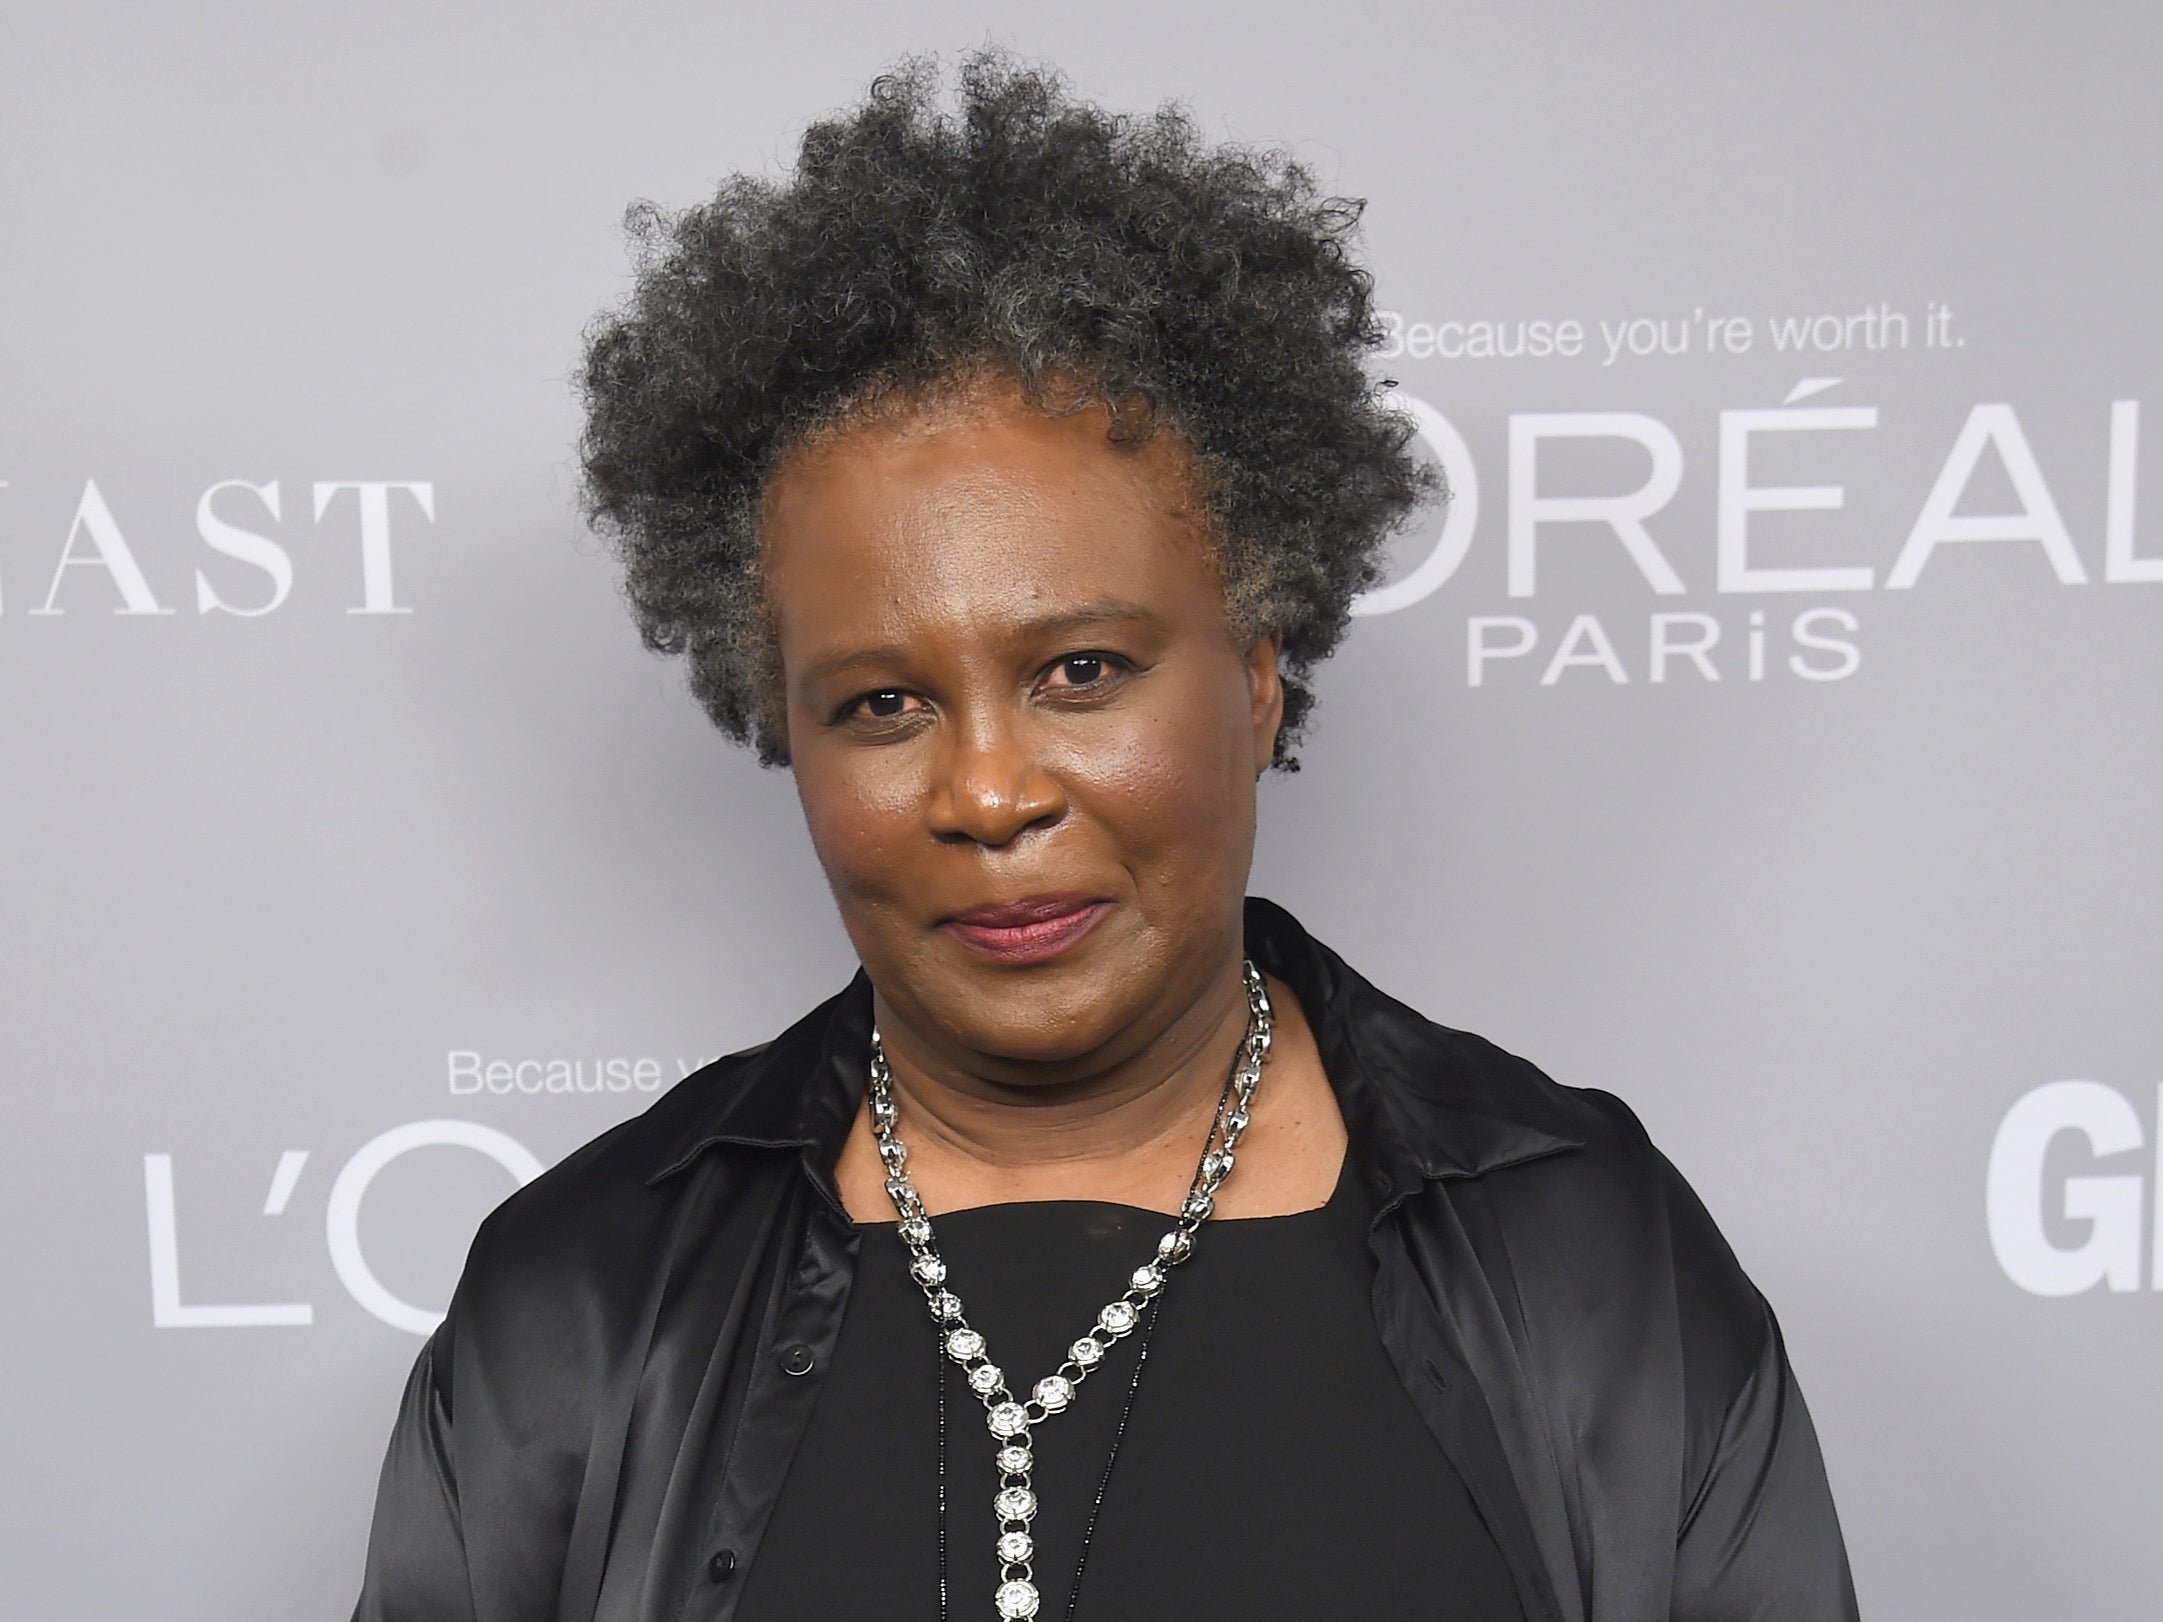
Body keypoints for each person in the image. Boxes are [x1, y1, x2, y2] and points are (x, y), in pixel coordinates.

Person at [353, 53, 1857, 1622]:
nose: (989, 792)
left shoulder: (1582, 1252)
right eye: (879, 701)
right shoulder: (579, 1300)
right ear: (780, 727)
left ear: (1259, 674)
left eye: (1082, 671)